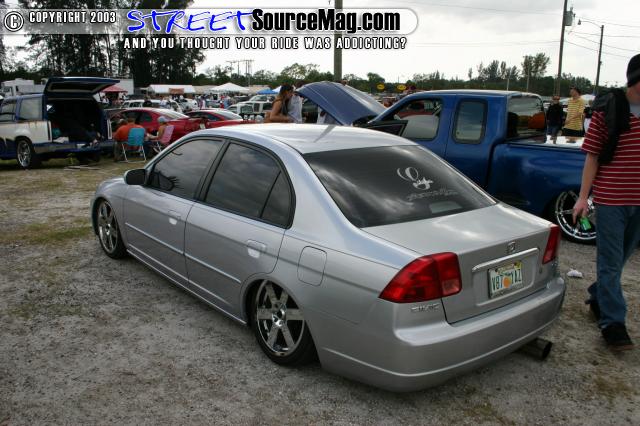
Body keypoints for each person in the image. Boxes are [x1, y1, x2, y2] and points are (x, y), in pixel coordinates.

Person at [573, 53, 640, 351]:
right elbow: (592, 157)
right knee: (610, 263)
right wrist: (583, 197)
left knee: (620, 260)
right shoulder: (610, 110)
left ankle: (598, 296)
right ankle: (613, 324)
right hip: (612, 200)